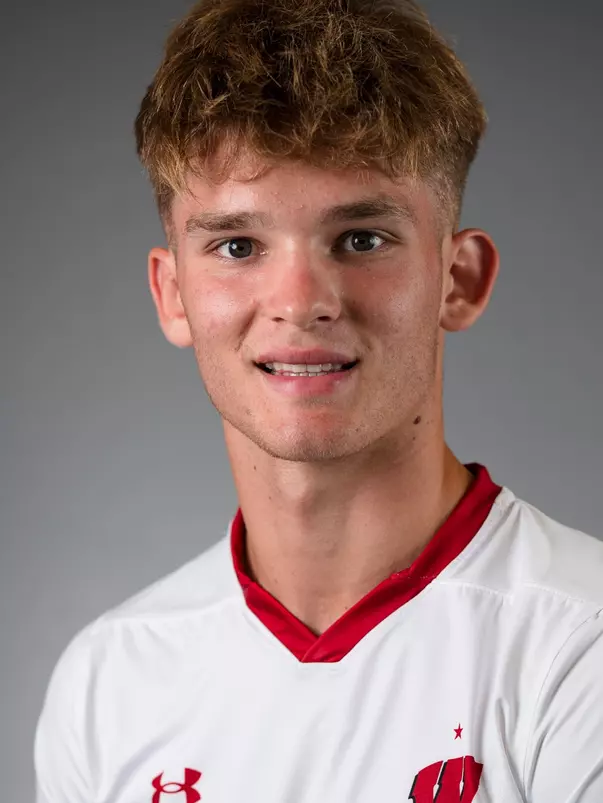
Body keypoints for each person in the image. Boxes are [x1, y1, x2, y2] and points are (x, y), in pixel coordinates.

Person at [34, 0, 603, 800]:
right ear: (172, 294)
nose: (300, 302)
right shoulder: (108, 684)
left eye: (361, 239)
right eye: (237, 245)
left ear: (458, 278)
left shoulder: (578, 644)